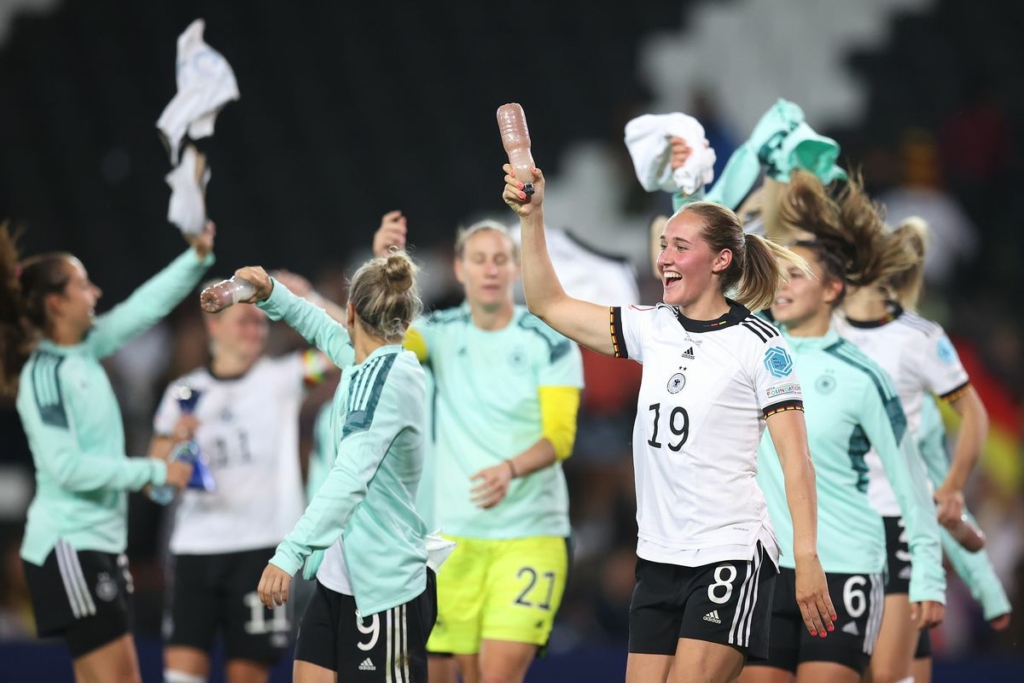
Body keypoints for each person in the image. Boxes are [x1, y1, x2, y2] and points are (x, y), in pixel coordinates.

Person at [502, 164, 835, 683]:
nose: (664, 259)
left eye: (680, 247)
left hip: (729, 551)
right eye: (663, 246)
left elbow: (797, 462)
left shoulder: (761, 345)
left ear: (721, 260)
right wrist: (532, 215)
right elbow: (548, 304)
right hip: (658, 555)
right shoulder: (651, 327)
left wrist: (807, 555)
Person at [739, 176, 945, 683]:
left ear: (833, 289)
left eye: (797, 275)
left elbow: (910, 479)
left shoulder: (863, 375)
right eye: (778, 273)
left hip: (844, 566)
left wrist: (929, 575)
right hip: (764, 567)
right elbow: (711, 257)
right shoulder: (749, 351)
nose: (781, 285)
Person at [372, 211, 585, 683]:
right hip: (451, 539)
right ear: (459, 268)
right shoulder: (441, 332)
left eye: (501, 260)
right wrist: (384, 269)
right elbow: (377, 340)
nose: (490, 269)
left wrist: (509, 469)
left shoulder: (548, 338)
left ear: (515, 269)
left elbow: (561, 437)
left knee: (497, 677)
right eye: (479, 259)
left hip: (529, 534)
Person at [0, 221, 213, 682]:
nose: (95, 291)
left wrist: (196, 257)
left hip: (98, 545)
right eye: (82, 284)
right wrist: (153, 471)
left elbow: (143, 307)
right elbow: (67, 468)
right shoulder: (44, 374)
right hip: (69, 546)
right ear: (56, 302)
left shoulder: (87, 348)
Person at [217, 252, 433, 683]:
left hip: (382, 587)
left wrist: (289, 553)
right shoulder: (369, 363)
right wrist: (272, 294)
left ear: (351, 311)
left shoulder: (385, 381)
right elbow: (323, 330)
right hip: (340, 578)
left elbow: (350, 479)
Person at [151, 271, 341, 683]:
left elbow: (351, 345)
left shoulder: (284, 378)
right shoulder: (184, 393)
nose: (256, 329)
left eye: (260, 320)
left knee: (249, 675)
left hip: (261, 551)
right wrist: (172, 449)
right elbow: (155, 483)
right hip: (195, 550)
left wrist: (304, 296)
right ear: (213, 324)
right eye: (245, 320)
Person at [832, 217, 990, 683]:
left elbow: (974, 415)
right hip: (836, 520)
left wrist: (954, 485)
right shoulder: (819, 328)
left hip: (897, 518)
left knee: (885, 672)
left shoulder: (918, 337)